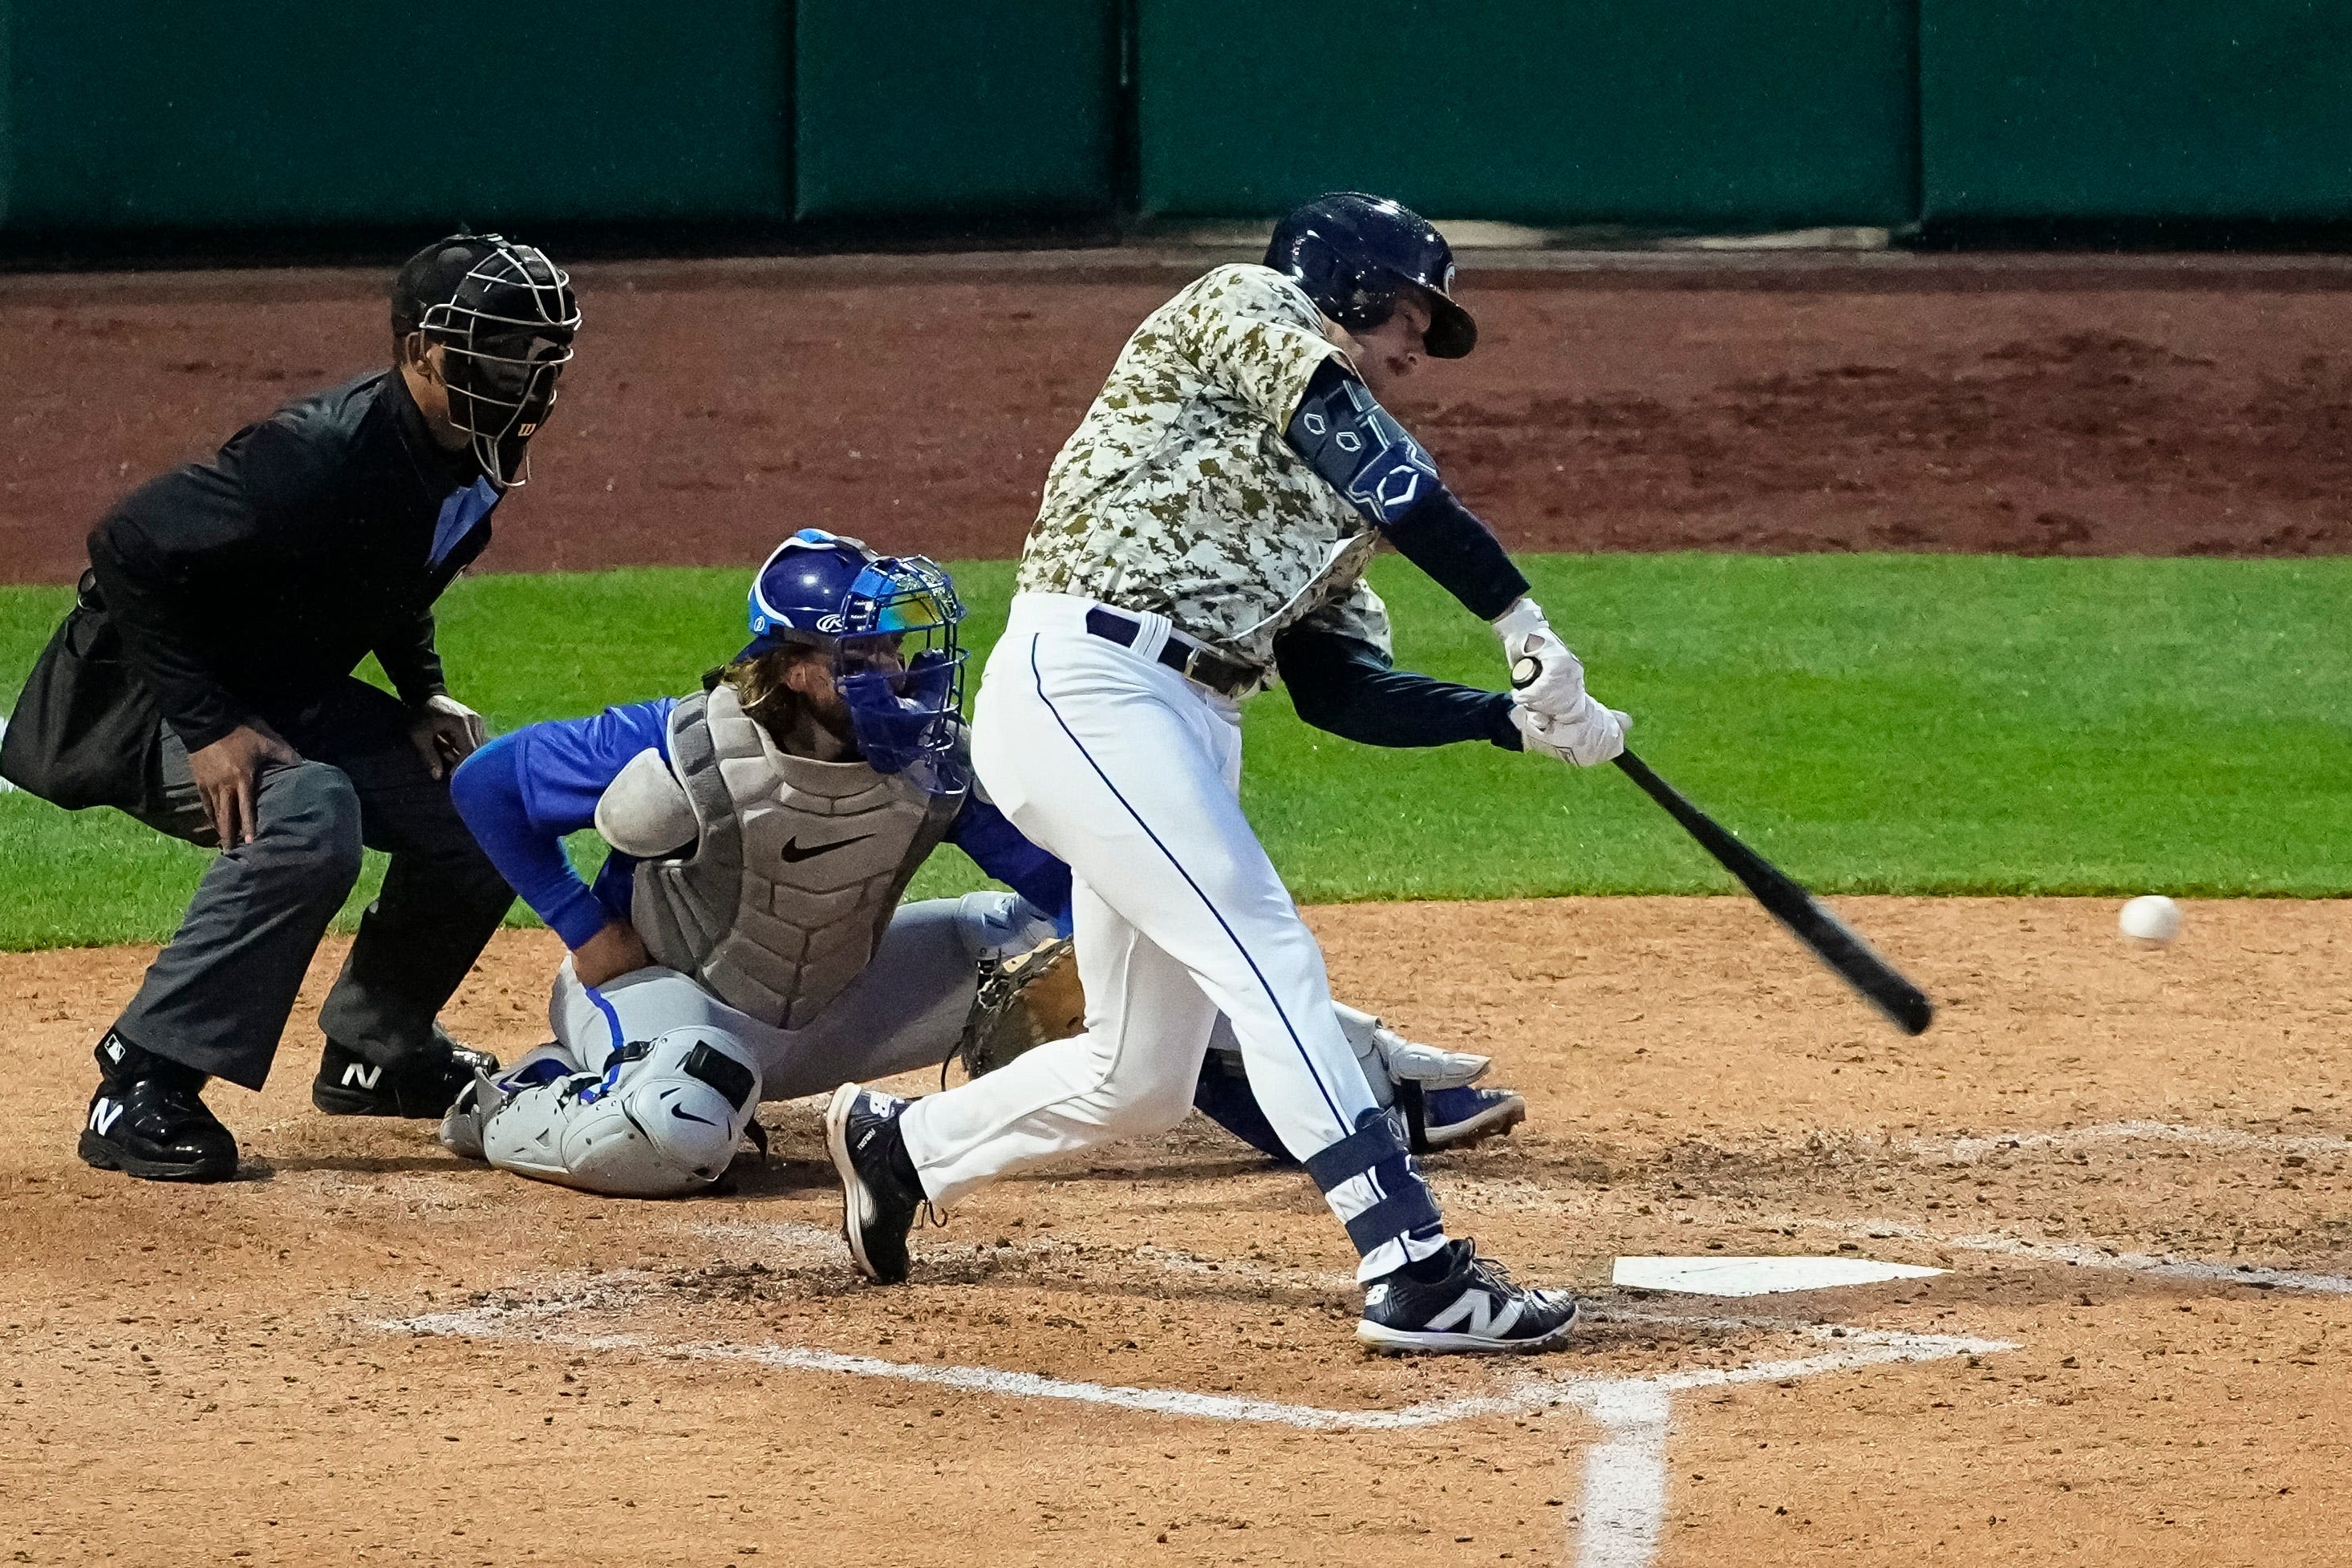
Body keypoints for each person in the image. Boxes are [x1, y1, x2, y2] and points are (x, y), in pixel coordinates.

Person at [825, 192, 1629, 1355]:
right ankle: (1411, 1266)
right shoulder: (1244, 307)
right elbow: (1391, 470)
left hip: (1180, 722)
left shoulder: (1332, 512)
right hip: (1089, 683)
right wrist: (1520, 616)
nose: (1418, 345)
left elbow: (1340, 688)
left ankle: (906, 1148)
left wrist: (1508, 722)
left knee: (1140, 1073)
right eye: (1411, 311)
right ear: (1348, 282)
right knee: (1267, 956)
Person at [434, 531, 1520, 1196]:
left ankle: (1336, 1096)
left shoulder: (932, 760)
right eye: (869, 654)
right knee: (682, 1125)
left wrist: (1309, 1032)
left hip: (838, 1004)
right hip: (673, 1005)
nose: (902, 671)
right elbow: (487, 785)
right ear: (797, 668)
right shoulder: (682, 741)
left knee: (1067, 941)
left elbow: (1087, 898)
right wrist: (584, 928)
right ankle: (512, 1102)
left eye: (903, 648)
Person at [0, 233, 581, 1183]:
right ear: (424, 351)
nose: (527, 376)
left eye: (539, 353)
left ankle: (377, 1049)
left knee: (486, 798)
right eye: (502, 348)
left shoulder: (481, 445)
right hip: (139, 697)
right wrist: (208, 726)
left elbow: (397, 578)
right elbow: (126, 545)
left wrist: (420, 689)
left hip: (280, 689)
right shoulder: (314, 455)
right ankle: (141, 1079)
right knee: (311, 813)